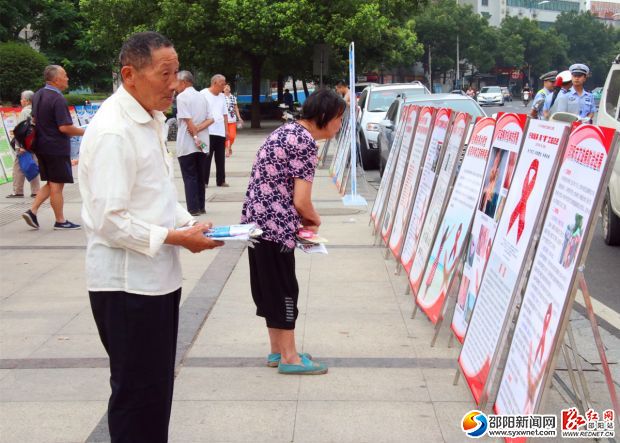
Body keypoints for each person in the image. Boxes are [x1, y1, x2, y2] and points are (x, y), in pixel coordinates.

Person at [78, 32, 223, 443]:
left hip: (156, 281)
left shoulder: (151, 119)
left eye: (176, 72)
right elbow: (111, 220)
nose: (174, 83)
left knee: (156, 388)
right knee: (137, 394)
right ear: (130, 75)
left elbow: (156, 195)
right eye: (165, 73)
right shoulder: (114, 131)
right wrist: (178, 238)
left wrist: (188, 222)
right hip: (127, 287)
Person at [241, 88, 346, 375]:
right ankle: (290, 358)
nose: (339, 125)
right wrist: (314, 220)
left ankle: (278, 350)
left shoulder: (287, 131)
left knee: (268, 287)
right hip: (275, 228)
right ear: (324, 116)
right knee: (284, 288)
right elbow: (302, 201)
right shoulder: (305, 143)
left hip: (256, 224)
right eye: (339, 118)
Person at [21, 65, 85, 230]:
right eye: (65, 75)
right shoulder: (58, 99)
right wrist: (86, 132)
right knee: (57, 185)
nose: (67, 78)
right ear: (56, 79)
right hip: (56, 147)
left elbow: (35, 119)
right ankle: (60, 220)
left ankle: (32, 211)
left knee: (51, 182)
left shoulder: (38, 95)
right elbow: (64, 128)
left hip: (41, 145)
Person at [175, 70, 213, 216]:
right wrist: (199, 132)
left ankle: (193, 208)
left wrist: (195, 136)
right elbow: (211, 119)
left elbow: (188, 121)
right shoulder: (202, 97)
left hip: (188, 143)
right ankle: (201, 206)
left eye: (177, 82)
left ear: (184, 82)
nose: (175, 86)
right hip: (203, 143)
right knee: (200, 175)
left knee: (190, 176)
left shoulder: (182, 97)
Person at [7, 90, 40, 198]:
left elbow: (20, 130)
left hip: (24, 144)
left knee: (18, 167)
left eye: (21, 99)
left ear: (26, 100)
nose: (21, 101)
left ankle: (18, 191)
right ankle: (36, 191)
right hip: (33, 143)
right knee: (32, 165)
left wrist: (19, 146)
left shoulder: (25, 111)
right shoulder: (36, 110)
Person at [200, 74, 229, 187]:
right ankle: (204, 181)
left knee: (220, 158)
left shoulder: (222, 97)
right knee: (207, 156)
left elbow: (225, 114)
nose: (224, 86)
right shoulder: (203, 94)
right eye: (222, 84)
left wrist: (226, 130)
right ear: (214, 83)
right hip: (208, 130)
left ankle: (221, 180)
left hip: (220, 130)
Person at [223, 83, 243, 157]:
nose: (227, 88)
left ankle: (229, 146)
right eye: (225, 87)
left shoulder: (233, 97)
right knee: (227, 136)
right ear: (223, 89)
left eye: (228, 87)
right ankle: (227, 149)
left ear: (230, 89)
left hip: (232, 119)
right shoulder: (221, 97)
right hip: (223, 120)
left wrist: (239, 117)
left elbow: (236, 108)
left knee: (232, 136)